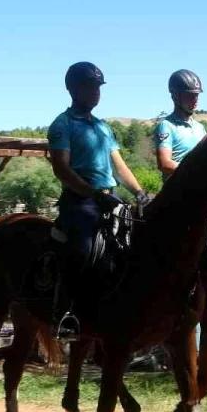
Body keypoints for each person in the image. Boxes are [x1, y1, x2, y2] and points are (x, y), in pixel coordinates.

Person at [48, 61, 149, 265]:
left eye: (98, 87)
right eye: (89, 86)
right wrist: (94, 194)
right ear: (73, 89)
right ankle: (66, 296)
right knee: (84, 255)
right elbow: (62, 169)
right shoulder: (62, 124)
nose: (96, 92)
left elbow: (119, 167)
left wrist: (139, 192)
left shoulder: (103, 127)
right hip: (79, 202)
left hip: (110, 198)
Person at [152, 69, 207, 178]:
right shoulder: (166, 126)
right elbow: (164, 163)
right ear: (175, 96)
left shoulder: (200, 128)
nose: (195, 99)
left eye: (197, 95)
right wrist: (197, 171)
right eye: (190, 95)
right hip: (178, 192)